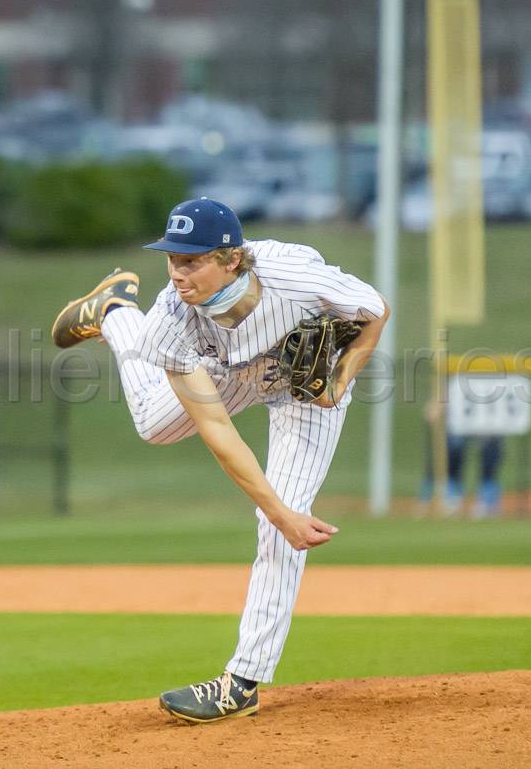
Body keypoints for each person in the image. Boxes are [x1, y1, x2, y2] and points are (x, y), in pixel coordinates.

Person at [51, 197, 389, 723]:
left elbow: (373, 311)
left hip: (303, 389)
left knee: (278, 529)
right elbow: (217, 430)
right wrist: (280, 513)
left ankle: (242, 683)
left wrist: (339, 382)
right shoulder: (171, 318)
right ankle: (116, 311)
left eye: (192, 260)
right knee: (153, 425)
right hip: (226, 370)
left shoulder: (293, 275)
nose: (177, 273)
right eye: (171, 259)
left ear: (232, 257)